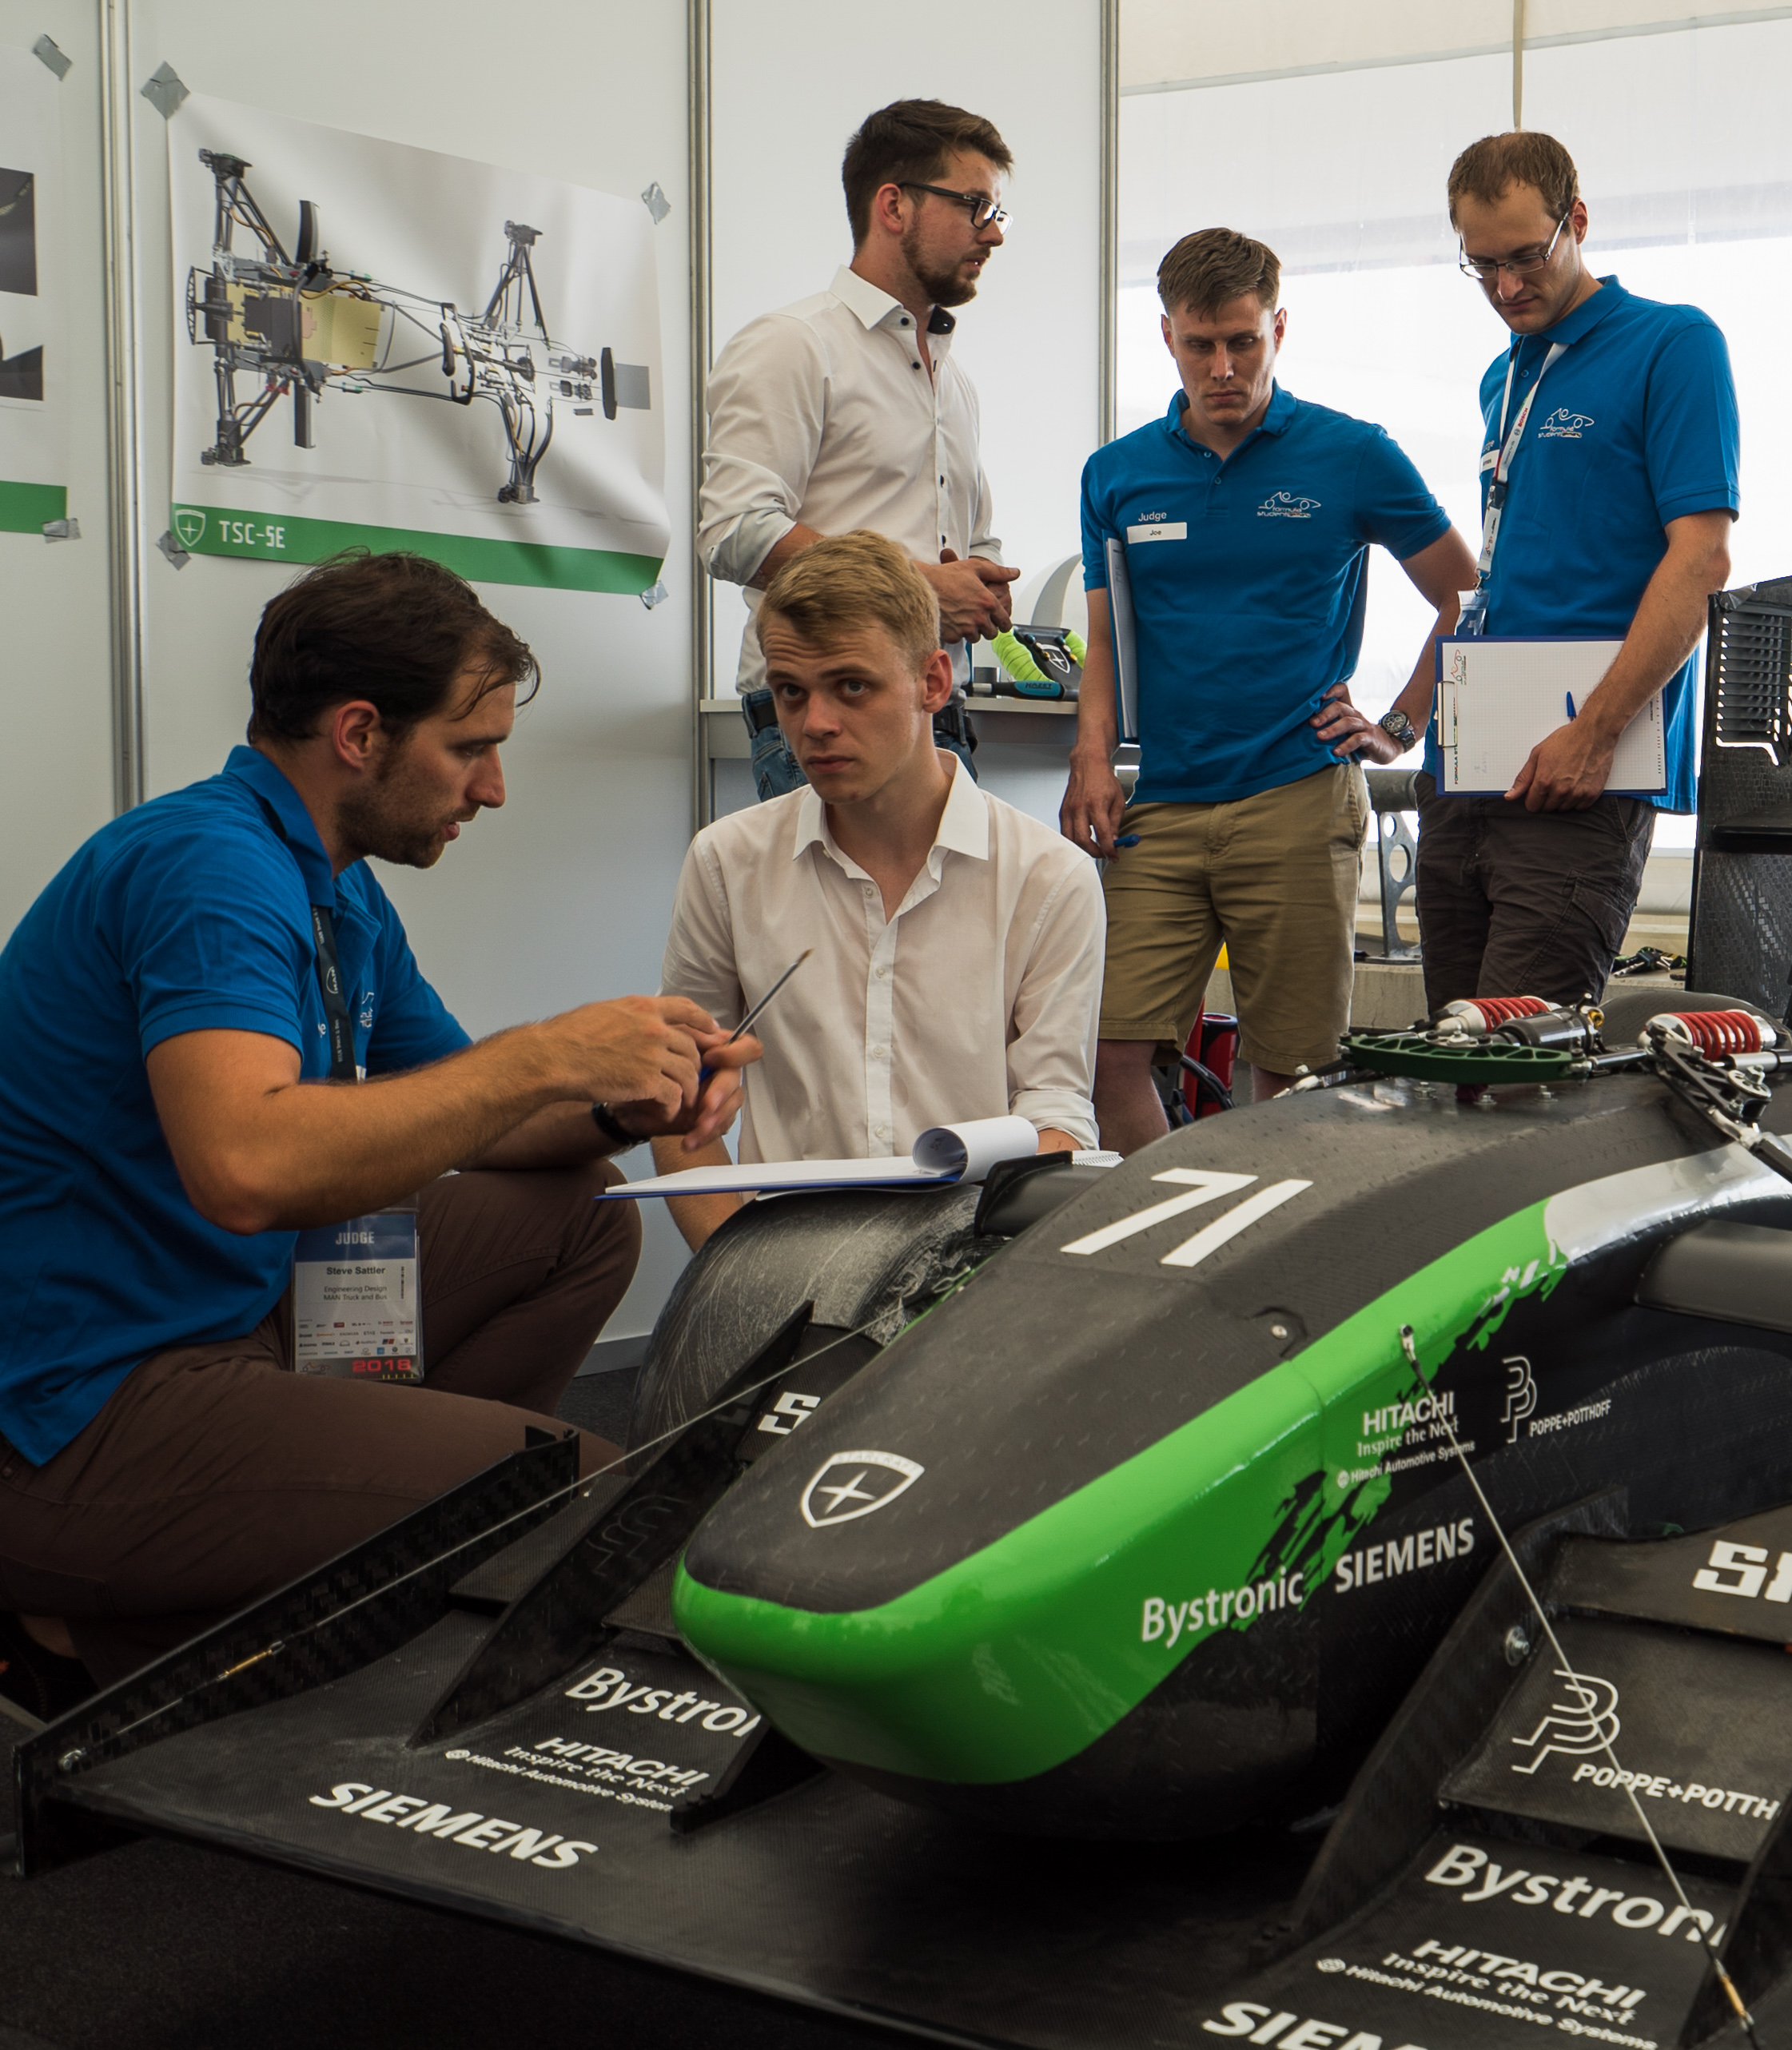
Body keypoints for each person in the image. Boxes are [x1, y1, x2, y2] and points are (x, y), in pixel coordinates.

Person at [0, 552, 755, 1701]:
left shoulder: (334, 882)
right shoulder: (208, 867)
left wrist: (620, 1101)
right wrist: (545, 1053)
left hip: (233, 1319)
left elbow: (468, 1111)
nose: (493, 789)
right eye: (470, 748)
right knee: (587, 1499)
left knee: (585, 1216)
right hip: (76, 1409)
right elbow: (246, 1166)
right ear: (359, 734)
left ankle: (369, 1539)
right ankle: (93, 1631)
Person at [1064, 229, 1471, 1152]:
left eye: (1243, 342)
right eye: (1200, 344)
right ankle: (1174, 1223)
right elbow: (1105, 635)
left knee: (1289, 1074)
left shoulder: (1353, 455)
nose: (1223, 368)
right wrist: (1090, 755)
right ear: (1167, 336)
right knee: (1106, 1056)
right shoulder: (1117, 474)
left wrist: (1400, 726)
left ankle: (1265, 1235)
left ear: (1278, 330)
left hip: (1295, 794)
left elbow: (1464, 594)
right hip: (1158, 803)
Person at [657, 532, 1105, 1248]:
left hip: (967, 1267)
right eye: (790, 692)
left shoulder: (1049, 877)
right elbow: (679, 1106)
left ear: (933, 682)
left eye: (852, 687)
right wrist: (737, 1278)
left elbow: (1056, 1114)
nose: (815, 725)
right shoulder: (727, 861)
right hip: (786, 1263)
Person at [1416, 131, 1739, 1014]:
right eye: (1483, 265)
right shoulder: (1504, 377)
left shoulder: (1673, 344)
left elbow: (1702, 560)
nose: (1506, 287)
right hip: (1469, 768)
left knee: (1519, 1059)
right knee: (1451, 1051)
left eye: (1527, 256)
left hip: (1582, 771)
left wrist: (1595, 732)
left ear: (1579, 222)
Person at [700, 98, 1021, 797]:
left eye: (997, 212)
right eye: (976, 206)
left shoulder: (954, 381)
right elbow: (735, 531)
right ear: (894, 206)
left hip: (937, 714)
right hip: (823, 718)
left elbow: (974, 538)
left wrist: (980, 583)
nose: (994, 234)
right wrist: (921, 587)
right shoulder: (793, 345)